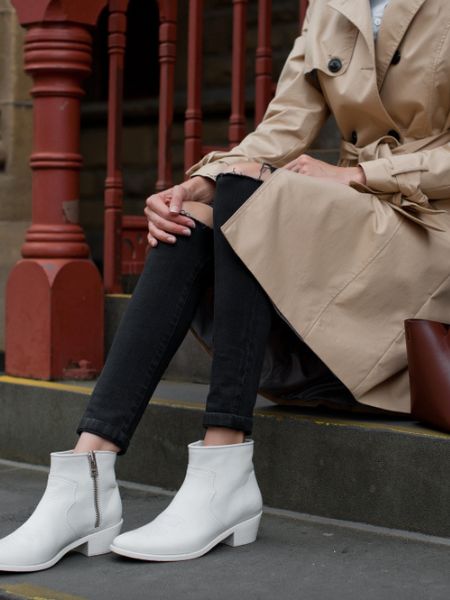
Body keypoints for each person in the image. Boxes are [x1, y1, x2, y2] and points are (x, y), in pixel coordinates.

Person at [1, 0, 450, 572]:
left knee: (254, 197)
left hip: (431, 226)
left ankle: (224, 465)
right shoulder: (334, 7)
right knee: (198, 216)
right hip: (360, 222)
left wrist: (359, 174)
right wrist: (198, 185)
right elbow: (284, 125)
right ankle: (86, 477)